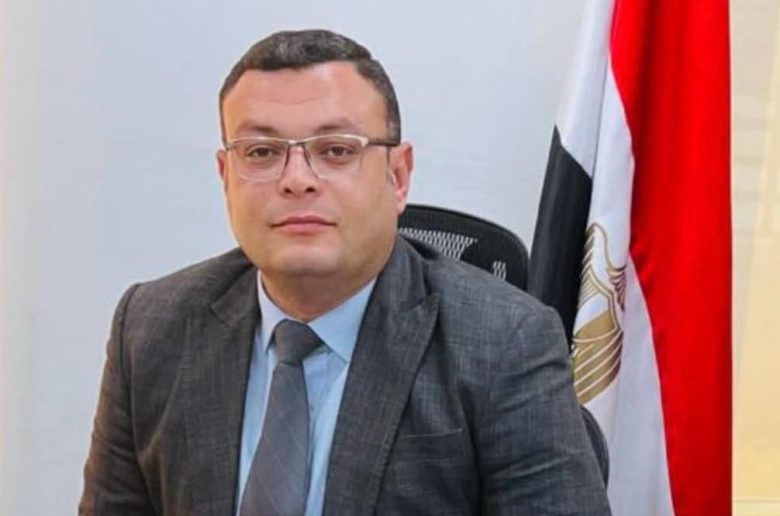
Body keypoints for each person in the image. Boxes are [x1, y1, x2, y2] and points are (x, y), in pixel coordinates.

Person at [79, 29, 610, 515]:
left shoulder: (506, 342)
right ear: (226, 177)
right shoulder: (151, 329)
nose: (297, 180)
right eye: (261, 152)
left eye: (335, 150)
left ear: (398, 176)